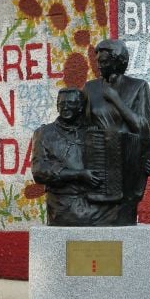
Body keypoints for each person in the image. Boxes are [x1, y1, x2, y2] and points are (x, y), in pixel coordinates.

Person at [82, 39, 150, 225]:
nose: (99, 66)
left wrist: (116, 100)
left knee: (123, 216)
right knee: (96, 214)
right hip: (99, 160)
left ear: (118, 62)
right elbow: (82, 127)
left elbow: (142, 127)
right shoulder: (90, 88)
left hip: (127, 164)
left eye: (104, 62)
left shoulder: (138, 86)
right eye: (97, 61)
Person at [31, 88, 103, 226]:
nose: (65, 107)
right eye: (61, 104)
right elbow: (39, 171)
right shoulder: (44, 133)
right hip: (61, 206)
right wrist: (78, 175)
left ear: (81, 107)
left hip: (95, 205)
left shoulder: (94, 132)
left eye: (70, 103)